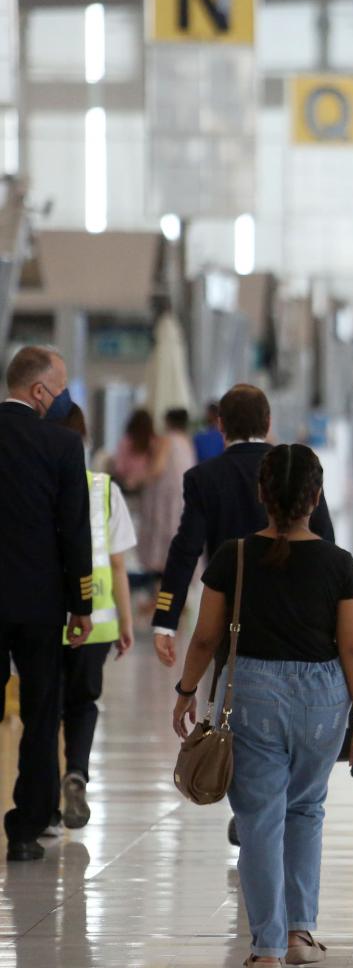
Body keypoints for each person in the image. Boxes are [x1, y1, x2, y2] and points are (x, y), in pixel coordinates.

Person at [172, 444, 353, 968]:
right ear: (317, 497)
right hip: (324, 702)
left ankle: (265, 948)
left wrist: (187, 689)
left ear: (262, 494)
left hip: (253, 695)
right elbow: (352, 649)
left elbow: (206, 637)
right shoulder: (340, 564)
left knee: (260, 819)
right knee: (306, 808)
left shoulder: (232, 557)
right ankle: (299, 934)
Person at [152, 384, 335, 849]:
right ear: (268, 421)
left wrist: (165, 619)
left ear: (220, 425)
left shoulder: (204, 477)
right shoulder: (297, 467)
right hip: (299, 615)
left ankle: (254, 802)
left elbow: (185, 549)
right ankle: (270, 803)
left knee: (235, 711)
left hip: (232, 617)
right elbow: (326, 543)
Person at [0, 346, 93, 862]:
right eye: (60, 388)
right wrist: (82, 604)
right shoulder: (61, 445)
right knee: (40, 713)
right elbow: (75, 531)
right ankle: (25, 827)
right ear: (39, 392)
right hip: (40, 601)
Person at [56, 407, 136, 831]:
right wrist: (126, 622)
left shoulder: (37, 486)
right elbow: (119, 564)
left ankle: (44, 798)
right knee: (83, 704)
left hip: (48, 618)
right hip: (100, 623)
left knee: (47, 704)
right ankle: (76, 773)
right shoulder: (104, 490)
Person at [137, 408, 196, 576]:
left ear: (168, 422)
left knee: (160, 548)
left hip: (164, 499)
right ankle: (175, 598)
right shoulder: (187, 441)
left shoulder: (166, 440)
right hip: (182, 498)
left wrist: (137, 481)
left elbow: (157, 468)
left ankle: (159, 597)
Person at [112, 408, 155, 492]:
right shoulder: (153, 443)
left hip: (127, 486)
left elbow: (119, 468)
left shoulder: (126, 442)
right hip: (148, 487)